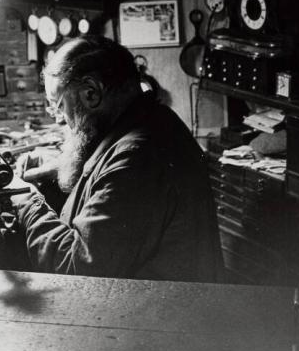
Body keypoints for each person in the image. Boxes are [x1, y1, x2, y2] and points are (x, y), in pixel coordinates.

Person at [12, 35, 222, 282]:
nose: (58, 119)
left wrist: (26, 201)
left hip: (154, 315)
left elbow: (78, 270)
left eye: (58, 105)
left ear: (91, 93)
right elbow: (107, 174)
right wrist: (59, 168)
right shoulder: (150, 119)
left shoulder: (137, 159)